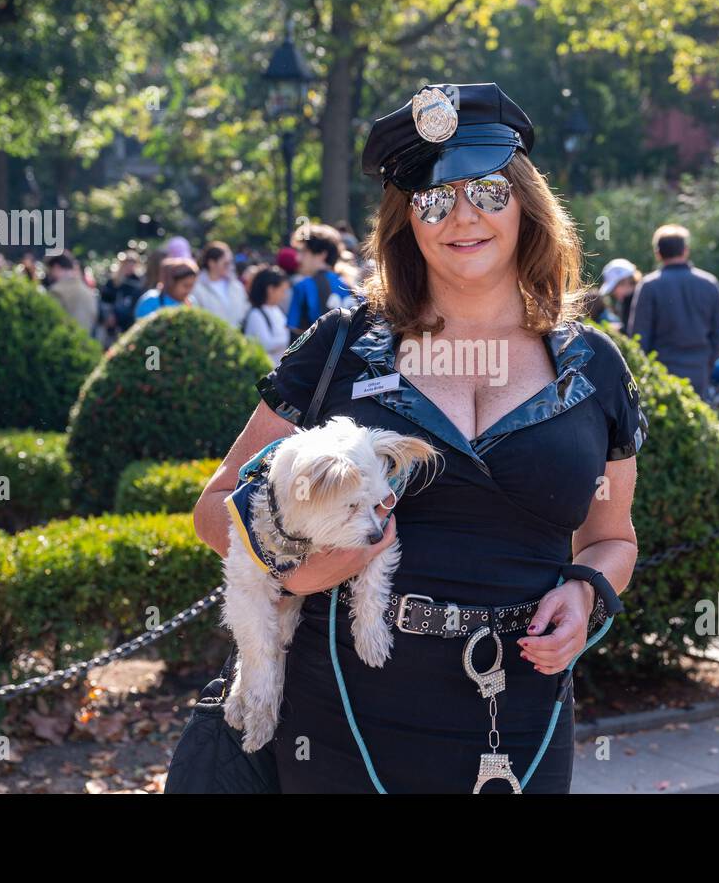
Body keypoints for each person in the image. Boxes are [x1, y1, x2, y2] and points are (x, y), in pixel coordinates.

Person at [192, 82, 646, 794]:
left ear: (527, 203)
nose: (462, 216)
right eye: (434, 199)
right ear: (406, 221)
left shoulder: (595, 369)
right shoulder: (341, 349)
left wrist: (588, 589)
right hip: (343, 704)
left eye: (489, 192)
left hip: (520, 707)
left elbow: (611, 537)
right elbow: (216, 505)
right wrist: (295, 567)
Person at [627, 224, 719, 397]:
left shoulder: (649, 286)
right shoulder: (709, 284)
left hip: (662, 371)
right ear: (685, 250)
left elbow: (639, 336)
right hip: (699, 369)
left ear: (658, 253)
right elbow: (718, 334)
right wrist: (707, 363)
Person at [286, 223, 353, 338]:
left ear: (322, 254)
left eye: (304, 251)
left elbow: (295, 336)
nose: (298, 258)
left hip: (314, 355)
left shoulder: (303, 287)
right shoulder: (350, 286)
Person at [190, 241, 251, 328]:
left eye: (231, 262)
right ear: (211, 263)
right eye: (226, 263)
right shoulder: (196, 288)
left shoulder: (237, 286)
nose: (230, 267)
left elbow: (245, 312)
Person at [241, 265, 292, 362]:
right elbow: (264, 344)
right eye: (282, 291)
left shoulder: (276, 309)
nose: (284, 295)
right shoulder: (255, 314)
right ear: (270, 289)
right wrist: (291, 340)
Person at [45, 252, 99, 333]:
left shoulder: (57, 291)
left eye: (50, 270)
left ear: (56, 267)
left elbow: (50, 321)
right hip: (86, 340)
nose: (50, 274)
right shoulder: (87, 291)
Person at [100, 249, 145, 337]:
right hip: (115, 322)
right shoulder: (113, 282)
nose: (130, 266)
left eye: (132, 263)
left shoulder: (139, 282)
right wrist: (109, 315)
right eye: (127, 263)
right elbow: (105, 301)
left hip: (131, 320)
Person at [598, 258, 640, 334]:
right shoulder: (623, 303)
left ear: (626, 281)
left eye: (614, 287)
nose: (613, 293)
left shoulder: (644, 300)